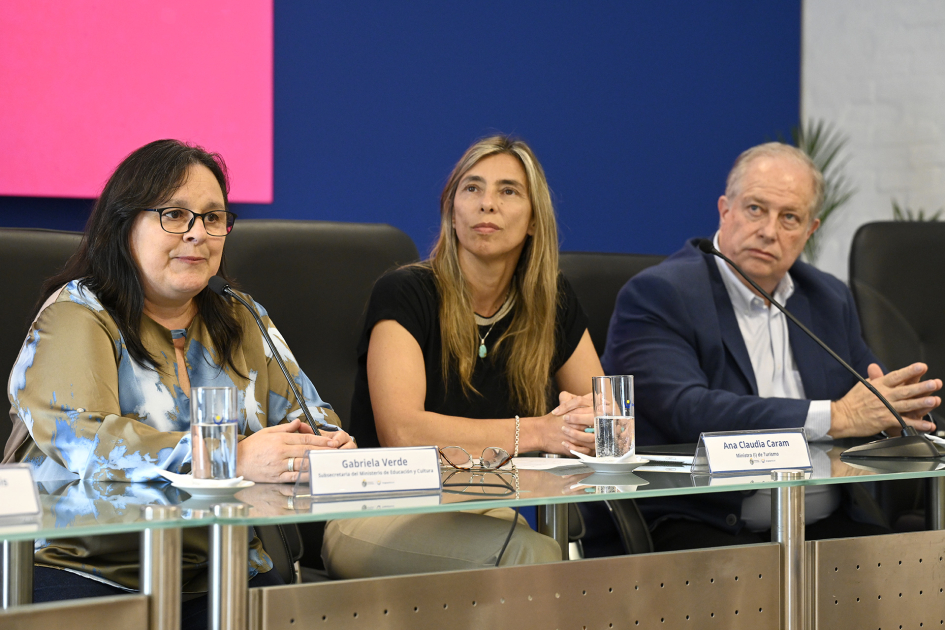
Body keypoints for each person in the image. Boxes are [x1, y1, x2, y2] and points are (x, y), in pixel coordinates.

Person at [3, 139, 355, 626]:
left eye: (213, 218)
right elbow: (86, 444)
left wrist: (322, 447)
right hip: (89, 570)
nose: (197, 234)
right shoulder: (78, 313)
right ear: (123, 225)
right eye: (175, 214)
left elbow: (313, 421)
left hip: (225, 565)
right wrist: (230, 457)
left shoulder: (241, 314)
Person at [588, 142, 942, 553]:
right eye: (755, 209)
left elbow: (870, 390)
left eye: (789, 217)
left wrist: (897, 412)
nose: (769, 231)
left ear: (810, 231)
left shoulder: (827, 297)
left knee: (913, 578)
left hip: (825, 522)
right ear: (725, 209)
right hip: (703, 522)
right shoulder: (660, 294)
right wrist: (838, 416)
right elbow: (686, 410)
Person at [324, 134, 604, 577]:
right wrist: (542, 432)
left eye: (508, 191)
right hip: (375, 509)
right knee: (535, 559)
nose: (486, 203)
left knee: (528, 552)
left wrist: (584, 422)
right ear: (451, 211)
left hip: (481, 513)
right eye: (471, 188)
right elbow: (403, 430)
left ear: (534, 220)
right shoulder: (406, 292)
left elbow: (606, 418)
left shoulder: (553, 302)